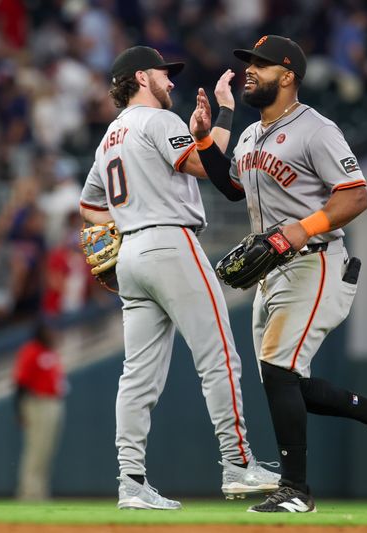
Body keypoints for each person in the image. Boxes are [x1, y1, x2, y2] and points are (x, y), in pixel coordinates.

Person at [190, 35, 367, 513]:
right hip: (273, 271)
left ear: (288, 75)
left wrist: (299, 230)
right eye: (248, 63)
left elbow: (355, 196)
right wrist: (208, 138)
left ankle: (295, 490)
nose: (249, 71)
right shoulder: (250, 134)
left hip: (316, 260)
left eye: (261, 65)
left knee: (278, 369)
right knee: (286, 380)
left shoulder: (317, 129)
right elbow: (232, 189)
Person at [79, 46, 279, 510]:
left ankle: (130, 482)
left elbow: (89, 207)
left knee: (137, 377)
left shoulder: (109, 135)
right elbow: (204, 165)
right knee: (220, 357)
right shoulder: (157, 121)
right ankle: (238, 463)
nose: (170, 82)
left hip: (131, 252)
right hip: (171, 242)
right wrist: (226, 110)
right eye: (162, 74)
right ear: (139, 78)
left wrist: (127, 221)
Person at [13, 320, 67, 501]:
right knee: (35, 450)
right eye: (49, 330)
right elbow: (20, 383)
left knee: (46, 451)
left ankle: (41, 493)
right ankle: (28, 493)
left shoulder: (51, 352)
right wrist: (19, 411)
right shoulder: (31, 350)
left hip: (54, 403)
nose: (52, 333)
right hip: (37, 404)